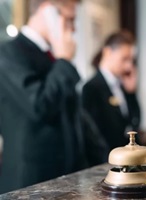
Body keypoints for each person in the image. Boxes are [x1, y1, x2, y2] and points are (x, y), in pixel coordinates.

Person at [0, 0, 88, 194]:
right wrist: (64, 61)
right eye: (69, 20)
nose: (72, 29)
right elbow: (39, 105)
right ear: (47, 11)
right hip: (31, 183)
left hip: (67, 177)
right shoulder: (8, 53)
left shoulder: (53, 56)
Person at [82, 31, 140, 150]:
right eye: (124, 59)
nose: (129, 66)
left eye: (131, 60)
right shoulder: (91, 88)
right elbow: (92, 134)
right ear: (108, 52)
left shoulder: (123, 85)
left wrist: (132, 93)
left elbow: (134, 122)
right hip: (107, 159)